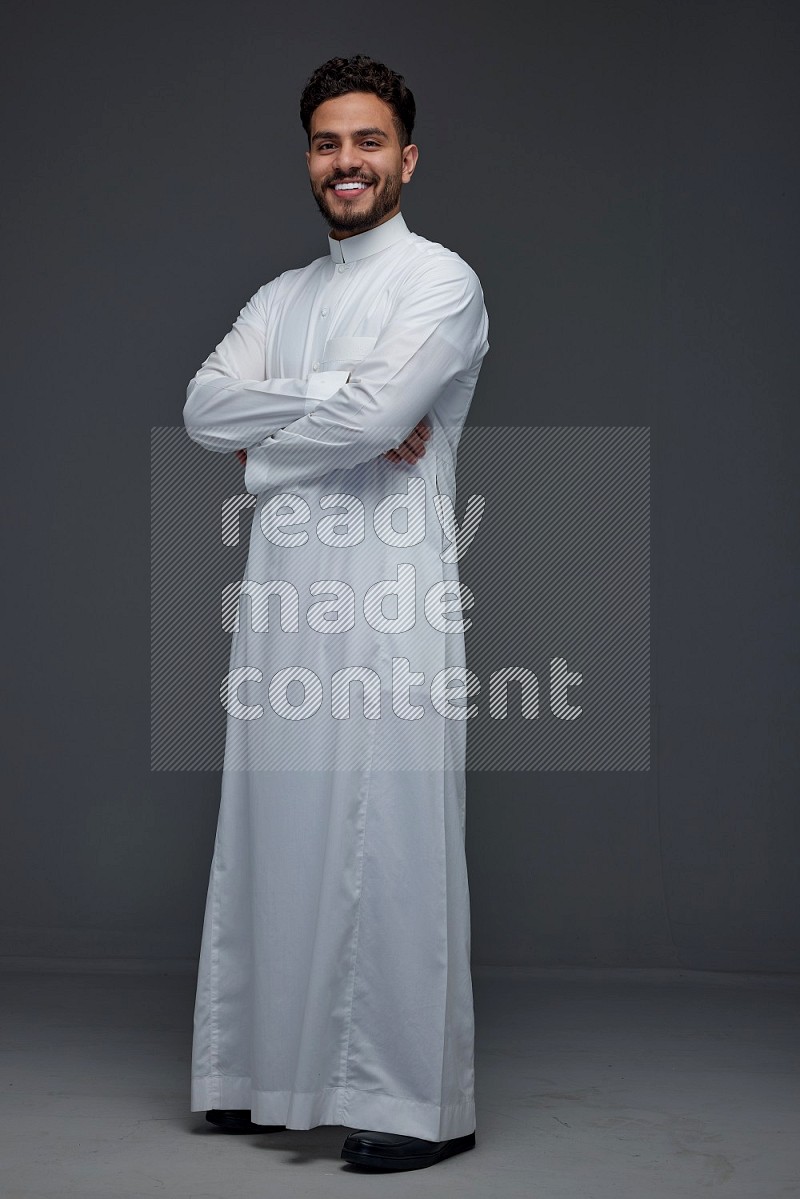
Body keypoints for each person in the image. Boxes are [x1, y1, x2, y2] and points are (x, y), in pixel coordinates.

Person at [183, 53, 489, 1173]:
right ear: (309, 159)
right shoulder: (280, 297)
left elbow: (388, 411)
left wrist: (270, 454)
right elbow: (205, 404)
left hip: (386, 597)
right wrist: (327, 407)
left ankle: (418, 1102)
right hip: (279, 602)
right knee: (273, 824)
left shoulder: (441, 282)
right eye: (326, 142)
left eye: (366, 142)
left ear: (404, 157)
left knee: (387, 836)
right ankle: (253, 1074)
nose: (345, 162)